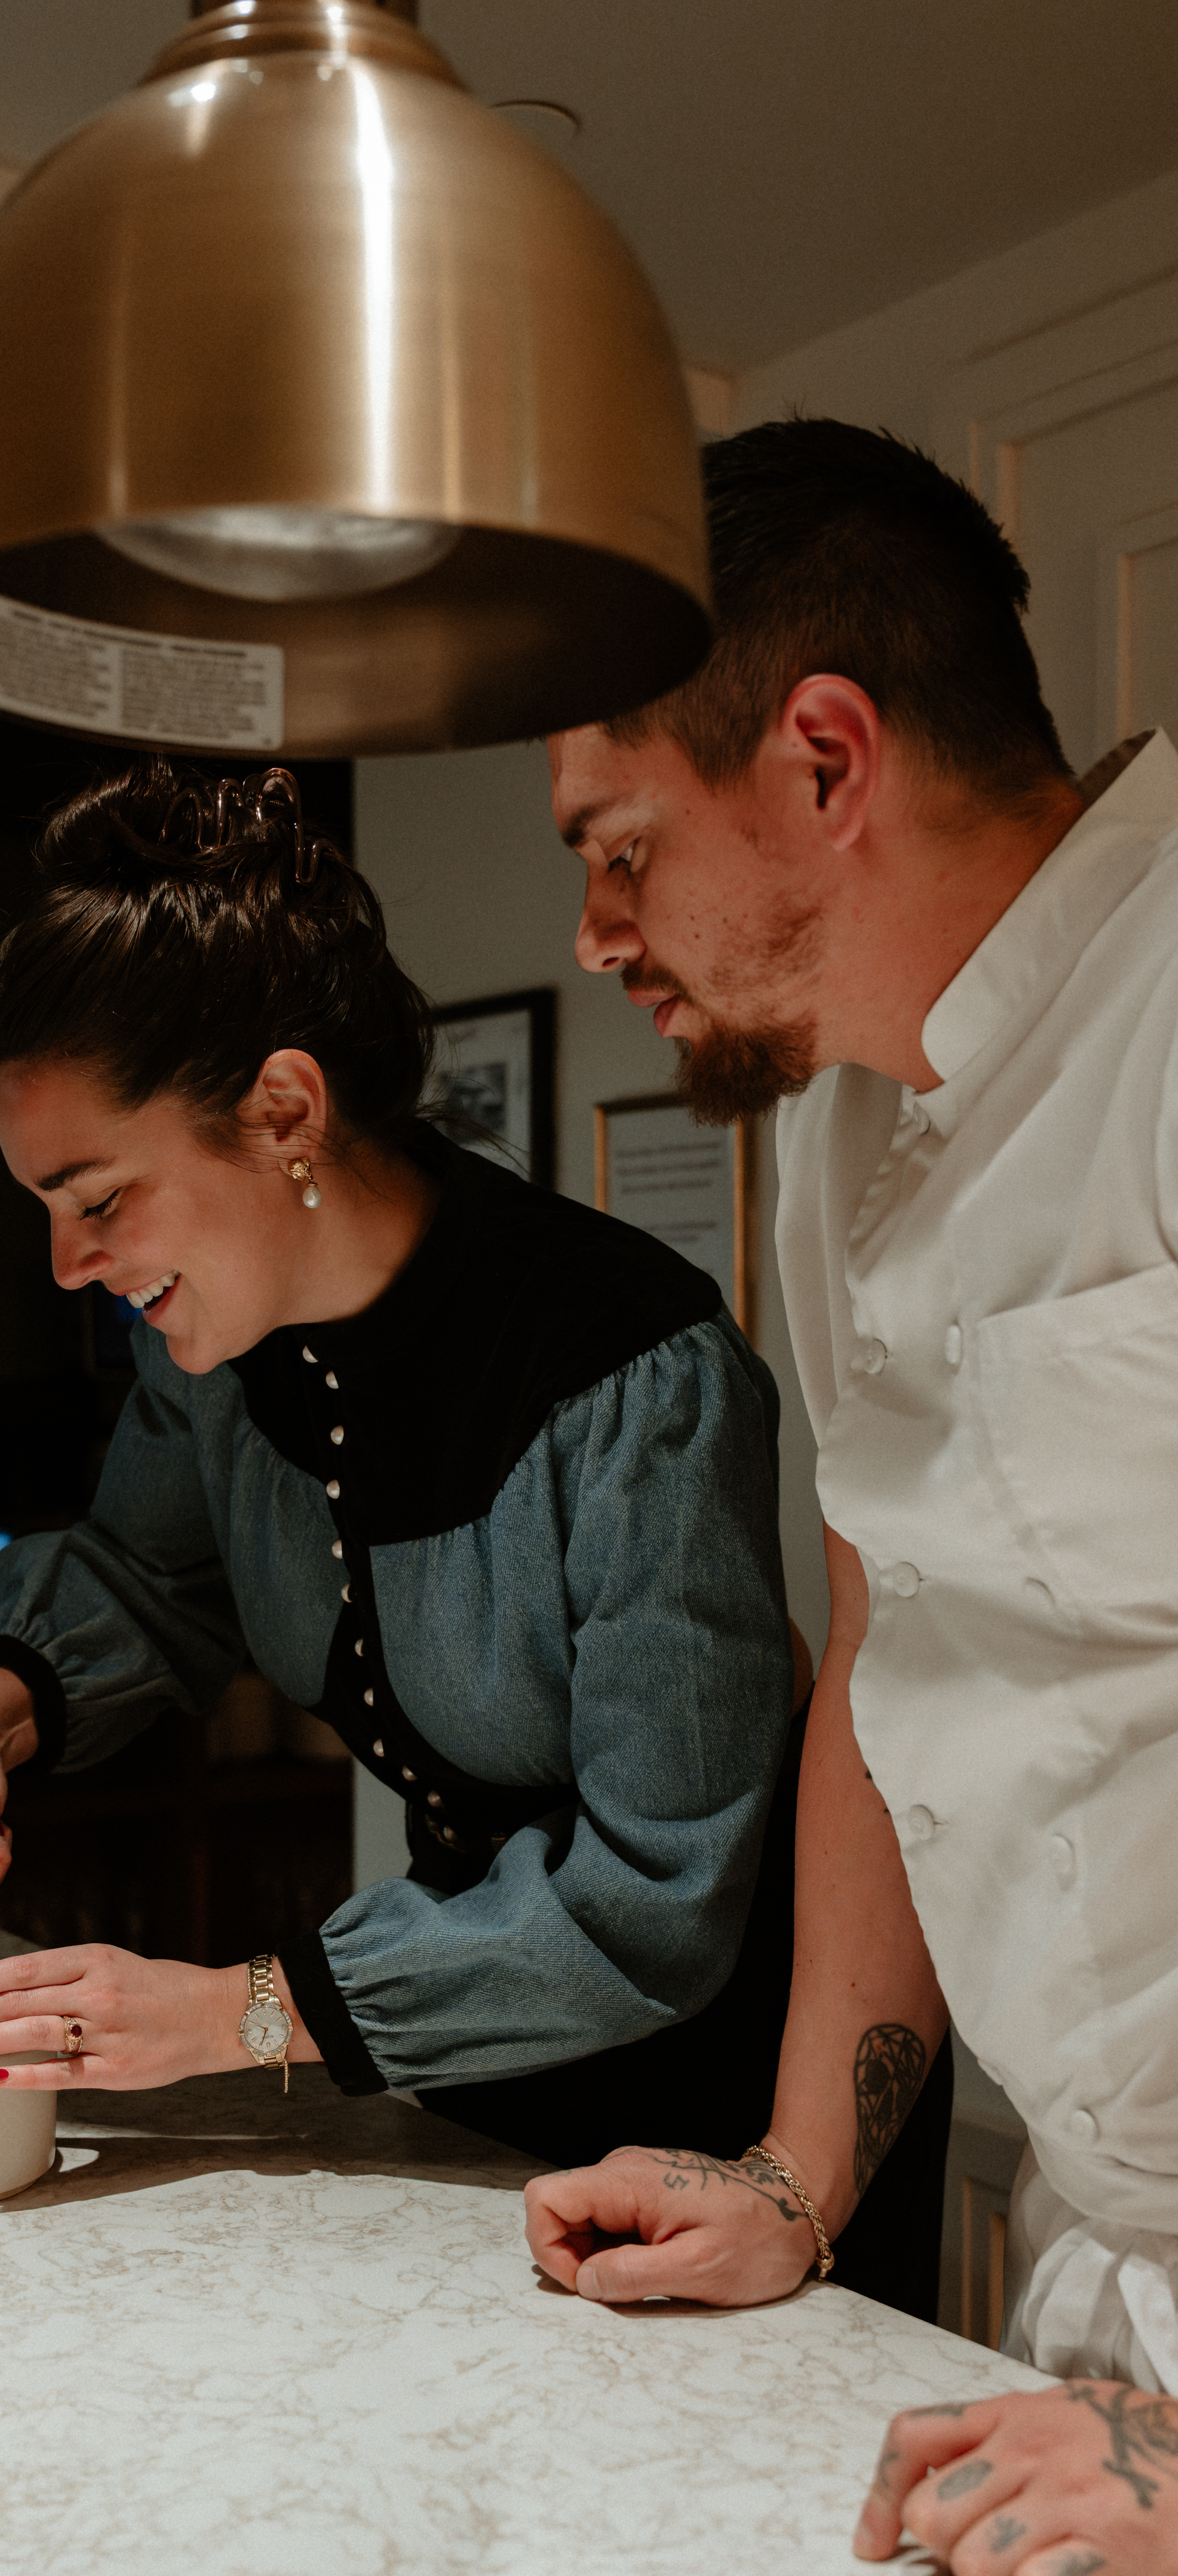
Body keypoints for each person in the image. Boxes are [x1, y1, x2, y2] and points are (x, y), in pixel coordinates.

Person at [0, 755, 938, 2301]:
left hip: (736, 2121)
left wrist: (226, 2012)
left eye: (97, 1194)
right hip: (464, 2092)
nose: (65, 1261)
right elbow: (143, 1570)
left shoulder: (633, 1371)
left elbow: (654, 1894)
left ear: (285, 1109)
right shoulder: (210, 1357)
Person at [526, 416, 1178, 2572]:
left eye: (619, 845)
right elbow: (882, 1649)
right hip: (1092, 2268)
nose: (601, 928)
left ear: (822, 754)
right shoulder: (825, 1132)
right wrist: (803, 2176)